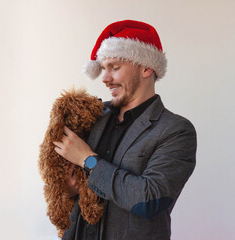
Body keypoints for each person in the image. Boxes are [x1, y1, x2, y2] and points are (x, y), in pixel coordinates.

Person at [53, 20, 197, 240]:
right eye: (104, 68)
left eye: (115, 68)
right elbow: (68, 184)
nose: (105, 78)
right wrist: (69, 189)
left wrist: (88, 160)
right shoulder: (91, 116)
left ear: (146, 67)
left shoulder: (176, 131)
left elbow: (149, 199)